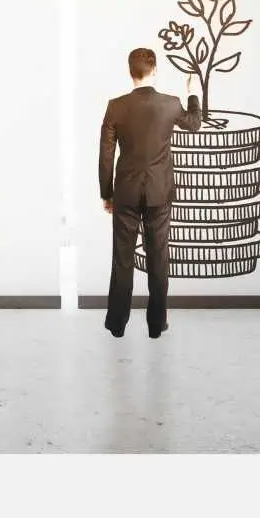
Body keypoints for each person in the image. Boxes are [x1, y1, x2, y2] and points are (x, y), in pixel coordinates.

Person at [98, 48, 202, 339]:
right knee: (158, 258)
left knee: (122, 259)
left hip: (126, 193)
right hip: (159, 191)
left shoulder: (115, 106)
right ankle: (156, 325)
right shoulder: (170, 104)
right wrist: (193, 93)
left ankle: (117, 324)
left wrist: (107, 193)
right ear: (154, 69)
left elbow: (106, 154)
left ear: (130, 71)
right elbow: (194, 124)